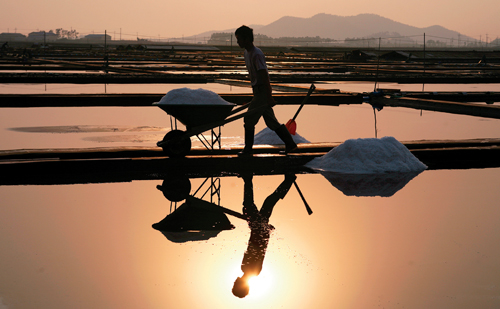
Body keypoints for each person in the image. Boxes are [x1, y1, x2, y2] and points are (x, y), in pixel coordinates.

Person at [235, 25, 297, 156]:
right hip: (257, 91)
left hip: (262, 91)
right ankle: (291, 144)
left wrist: (269, 97)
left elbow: (264, 76)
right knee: (271, 122)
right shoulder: (247, 53)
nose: (237, 42)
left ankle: (247, 150)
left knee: (249, 120)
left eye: (239, 39)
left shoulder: (257, 54)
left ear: (247, 39)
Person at [232, 172, 296, 298]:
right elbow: (258, 248)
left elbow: (256, 248)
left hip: (259, 231)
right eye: (235, 284)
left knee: (268, 202)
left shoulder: (248, 271)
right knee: (249, 206)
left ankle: (288, 180)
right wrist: (263, 229)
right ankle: (248, 178)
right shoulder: (251, 271)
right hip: (259, 231)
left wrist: (264, 231)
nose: (234, 281)